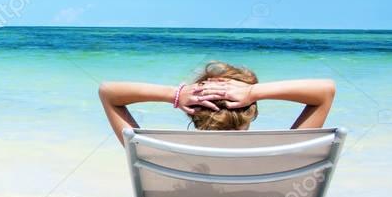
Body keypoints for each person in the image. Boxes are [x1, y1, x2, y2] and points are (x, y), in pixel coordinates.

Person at [98, 61, 336, 144]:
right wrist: (254, 91)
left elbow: (108, 92)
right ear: (251, 111)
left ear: (193, 112)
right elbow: (325, 91)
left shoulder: (159, 155)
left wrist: (175, 94)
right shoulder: (282, 155)